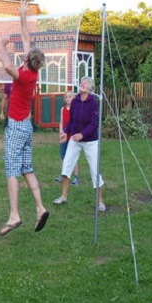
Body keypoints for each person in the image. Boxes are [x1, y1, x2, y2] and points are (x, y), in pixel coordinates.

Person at [0, 0, 49, 235]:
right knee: (27, 168)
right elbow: (27, 37)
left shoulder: (23, 75)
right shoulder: (34, 71)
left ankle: (14, 215)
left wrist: (2, 45)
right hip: (27, 127)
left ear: (28, 60)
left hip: (17, 127)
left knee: (11, 170)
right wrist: (22, 16)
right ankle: (40, 208)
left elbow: (6, 65)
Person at [53, 76, 106, 211]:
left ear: (90, 88)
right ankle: (63, 196)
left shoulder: (93, 103)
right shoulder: (75, 101)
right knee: (66, 165)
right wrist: (66, 132)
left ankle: (100, 202)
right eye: (82, 82)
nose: (82, 84)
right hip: (74, 140)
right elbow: (71, 121)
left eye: (86, 82)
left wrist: (82, 134)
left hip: (90, 141)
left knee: (95, 170)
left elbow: (95, 123)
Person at [55, 89, 81, 185]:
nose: (68, 99)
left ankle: (76, 177)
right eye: (66, 97)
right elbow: (61, 122)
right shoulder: (63, 109)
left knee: (73, 157)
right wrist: (61, 132)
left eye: (70, 97)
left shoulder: (75, 109)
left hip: (72, 136)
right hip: (64, 136)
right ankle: (63, 175)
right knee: (63, 156)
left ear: (73, 98)